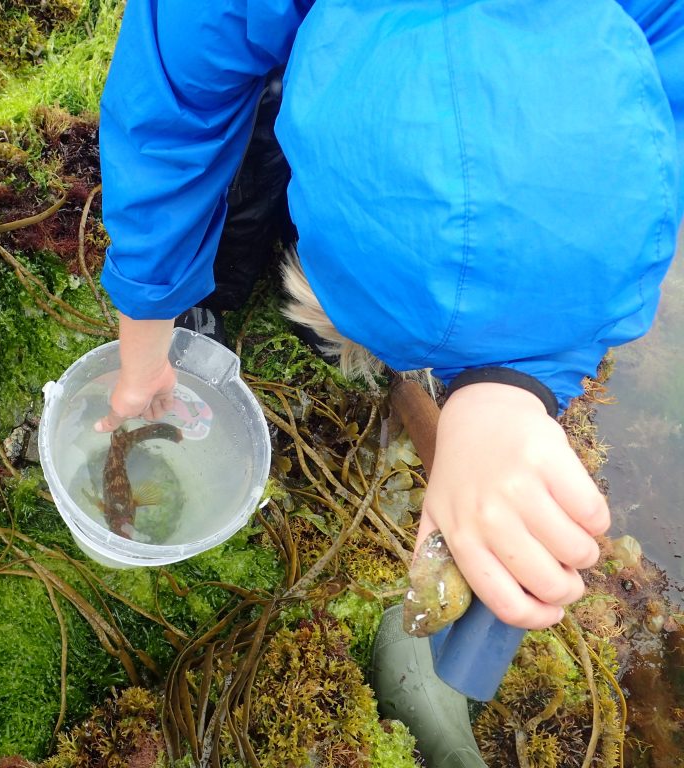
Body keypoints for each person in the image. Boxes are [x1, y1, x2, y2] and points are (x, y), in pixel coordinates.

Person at [92, 0, 683, 762]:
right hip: (272, 58)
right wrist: (147, 327)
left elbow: (611, 193)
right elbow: (167, 121)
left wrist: (516, 385)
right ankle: (251, 266)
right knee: (239, 153)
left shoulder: (648, 66)